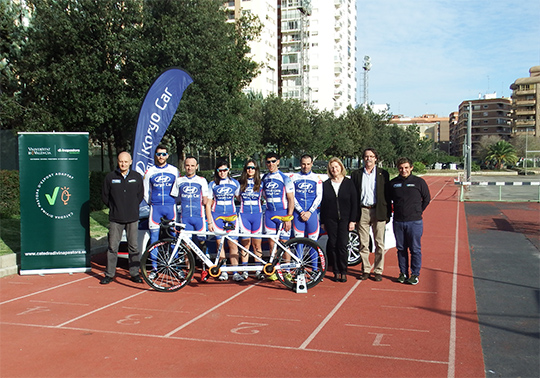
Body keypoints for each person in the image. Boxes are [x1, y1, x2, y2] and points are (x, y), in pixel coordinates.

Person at [100, 152, 144, 285]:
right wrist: (115, 207)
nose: (123, 164)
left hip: (132, 217)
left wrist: (131, 207)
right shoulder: (110, 177)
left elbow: (140, 195)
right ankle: (109, 274)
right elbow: (105, 196)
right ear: (117, 162)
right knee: (113, 247)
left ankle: (135, 273)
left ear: (130, 162)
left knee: (133, 247)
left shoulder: (137, 177)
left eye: (125, 161)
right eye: (121, 161)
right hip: (115, 218)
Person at [388, 157, 431, 285]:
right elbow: (388, 200)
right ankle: (403, 273)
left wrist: (418, 211)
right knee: (401, 249)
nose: (404, 170)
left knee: (415, 249)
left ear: (411, 168)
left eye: (406, 167)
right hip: (398, 222)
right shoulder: (393, 183)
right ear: (398, 169)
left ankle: (415, 274)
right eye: (401, 168)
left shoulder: (419, 182)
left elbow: (427, 199)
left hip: (415, 222)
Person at [351, 148, 391, 282]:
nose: (369, 159)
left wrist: (387, 215)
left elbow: (387, 195)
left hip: (378, 210)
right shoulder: (356, 174)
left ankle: (378, 270)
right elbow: (353, 195)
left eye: (371, 156)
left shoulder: (383, 174)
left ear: (376, 159)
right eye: (366, 156)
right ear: (363, 159)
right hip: (362, 211)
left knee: (379, 243)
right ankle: (366, 269)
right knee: (363, 243)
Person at [320, 157, 357, 283]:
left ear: (341, 167)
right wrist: (323, 221)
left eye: (336, 167)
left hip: (345, 219)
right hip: (330, 220)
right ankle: (335, 271)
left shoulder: (349, 183)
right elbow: (323, 204)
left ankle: (343, 271)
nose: (334, 169)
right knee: (333, 245)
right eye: (332, 167)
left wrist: (353, 220)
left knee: (342, 245)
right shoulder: (326, 184)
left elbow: (354, 203)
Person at [206, 159, 241, 281]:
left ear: (228, 170)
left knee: (233, 244)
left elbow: (240, 198)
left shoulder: (235, 183)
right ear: (217, 171)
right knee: (219, 244)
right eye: (220, 170)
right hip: (217, 217)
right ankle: (223, 270)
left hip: (231, 217)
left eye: (225, 170)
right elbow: (208, 204)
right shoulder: (212, 184)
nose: (222, 173)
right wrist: (209, 221)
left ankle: (235, 272)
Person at [261, 152, 294, 267]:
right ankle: (274, 268)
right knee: (271, 244)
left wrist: (289, 217)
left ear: (278, 162)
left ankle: (287, 270)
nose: (271, 164)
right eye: (268, 162)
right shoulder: (264, 178)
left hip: (283, 214)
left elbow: (291, 199)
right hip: (269, 214)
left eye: (273, 161)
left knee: (285, 244)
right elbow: (263, 196)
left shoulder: (285, 178)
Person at [143, 145, 179, 245]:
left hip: (170, 207)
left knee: (173, 237)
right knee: (154, 238)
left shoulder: (174, 170)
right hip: (156, 208)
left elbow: (177, 190)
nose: (161, 157)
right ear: (155, 155)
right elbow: (145, 190)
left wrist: (173, 202)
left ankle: (174, 259)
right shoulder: (150, 171)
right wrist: (151, 202)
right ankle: (154, 261)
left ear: (167, 156)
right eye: (159, 154)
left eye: (164, 154)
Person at [170, 156, 208, 246]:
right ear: (184, 166)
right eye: (187, 165)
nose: (189, 168)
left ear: (196, 166)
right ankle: (189, 260)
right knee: (187, 244)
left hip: (199, 217)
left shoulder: (201, 180)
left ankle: (201, 259)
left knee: (202, 240)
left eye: (192, 165)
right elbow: (174, 198)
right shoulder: (179, 180)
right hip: (185, 217)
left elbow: (205, 201)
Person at [238, 159, 264, 280]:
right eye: (248, 168)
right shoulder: (240, 182)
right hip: (244, 215)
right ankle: (245, 270)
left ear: (256, 169)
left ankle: (258, 269)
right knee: (245, 244)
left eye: (253, 168)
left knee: (257, 245)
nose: (250, 170)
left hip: (257, 215)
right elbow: (237, 198)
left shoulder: (260, 183)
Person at [291, 154, 323, 242]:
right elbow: (291, 196)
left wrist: (309, 212)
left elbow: (319, 196)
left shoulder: (316, 178)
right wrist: (301, 211)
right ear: (300, 164)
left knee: (313, 243)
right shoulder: (293, 178)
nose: (306, 167)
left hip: (312, 214)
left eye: (308, 164)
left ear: (312, 164)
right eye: (304, 164)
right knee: (299, 243)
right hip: (298, 214)